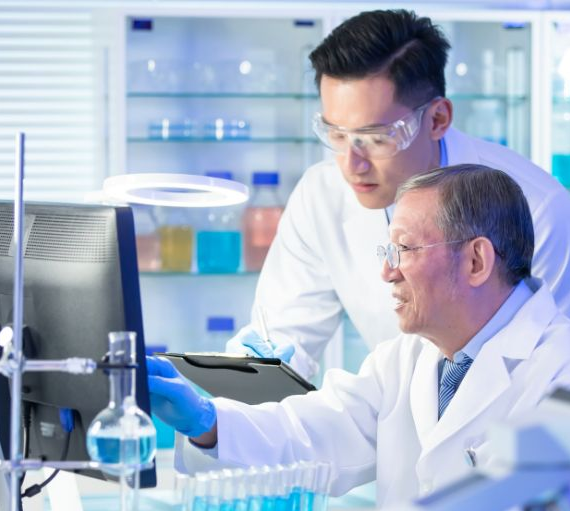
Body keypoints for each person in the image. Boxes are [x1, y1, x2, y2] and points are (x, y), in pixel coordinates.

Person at [148, 164, 570, 511]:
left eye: (405, 249)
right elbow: (317, 430)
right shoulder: (410, 356)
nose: (388, 272)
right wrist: (209, 423)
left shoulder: (556, 373)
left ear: (476, 261)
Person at [225, 9, 570, 380]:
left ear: (437, 119)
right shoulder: (321, 194)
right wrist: (241, 390)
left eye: (376, 138)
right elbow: (281, 341)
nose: (351, 164)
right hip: (390, 423)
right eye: (337, 136)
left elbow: (551, 378)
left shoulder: (538, 210)